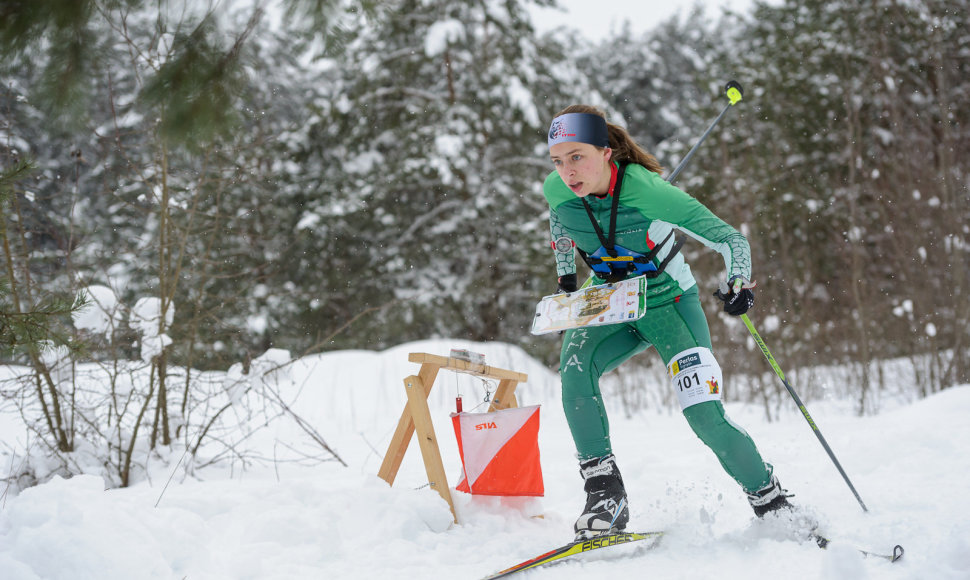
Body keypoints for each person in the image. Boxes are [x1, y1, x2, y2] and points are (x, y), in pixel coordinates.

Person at [542, 105, 795, 540]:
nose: (567, 171)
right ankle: (605, 493)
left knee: (703, 416)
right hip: (606, 299)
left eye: (577, 156)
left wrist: (739, 283)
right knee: (574, 371)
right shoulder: (558, 189)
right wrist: (567, 284)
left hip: (668, 300)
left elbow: (730, 238)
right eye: (558, 160)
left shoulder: (650, 192)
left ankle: (772, 503)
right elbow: (560, 224)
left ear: (605, 152)